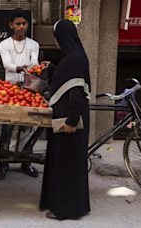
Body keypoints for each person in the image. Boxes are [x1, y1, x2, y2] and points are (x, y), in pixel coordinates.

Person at [39, 19, 91, 220]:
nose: (55, 40)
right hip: (68, 116)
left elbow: (76, 91)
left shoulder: (74, 59)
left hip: (69, 120)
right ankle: (66, 204)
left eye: (56, 36)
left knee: (66, 163)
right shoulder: (74, 56)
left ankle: (67, 210)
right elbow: (68, 81)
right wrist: (52, 67)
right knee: (67, 161)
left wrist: (70, 121)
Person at [0, 8, 40, 180]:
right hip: (9, 90)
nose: (21, 27)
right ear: (11, 25)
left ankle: (26, 162)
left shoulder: (33, 45)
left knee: (28, 127)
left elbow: (34, 62)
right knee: (7, 128)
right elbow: (7, 65)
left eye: (24, 24)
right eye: (18, 24)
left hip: (28, 90)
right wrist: (22, 69)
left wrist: (35, 68)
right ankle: (3, 164)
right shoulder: (4, 44)